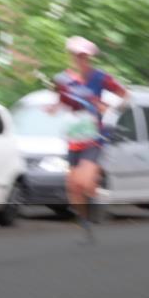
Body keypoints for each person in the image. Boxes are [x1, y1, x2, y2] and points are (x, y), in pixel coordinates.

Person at [52, 36, 128, 243]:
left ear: (90, 58)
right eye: (76, 56)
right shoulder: (63, 79)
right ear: (71, 57)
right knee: (73, 187)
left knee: (83, 182)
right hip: (74, 138)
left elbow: (124, 95)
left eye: (84, 56)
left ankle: (97, 191)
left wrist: (109, 107)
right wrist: (55, 107)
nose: (80, 59)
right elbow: (61, 102)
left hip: (94, 138)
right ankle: (85, 225)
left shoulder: (100, 78)